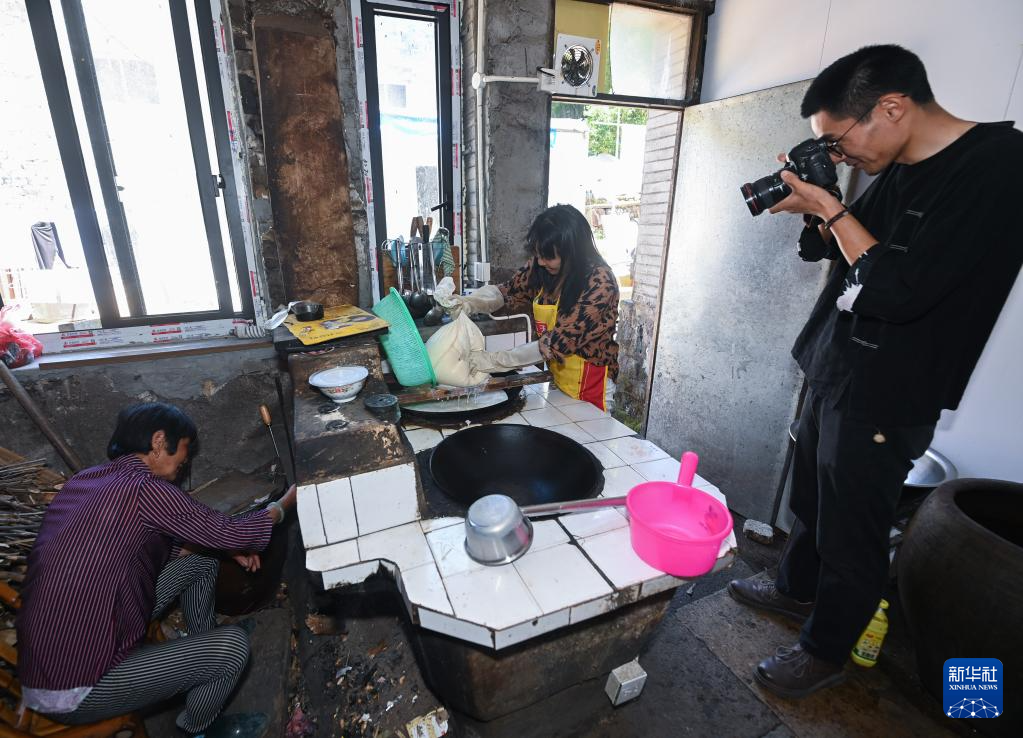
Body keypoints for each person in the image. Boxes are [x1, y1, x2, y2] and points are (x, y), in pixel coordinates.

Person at [728, 44, 1023, 698]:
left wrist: (831, 209)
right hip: (835, 366)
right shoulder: (894, 164)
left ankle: (824, 651)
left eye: (838, 140)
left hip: (890, 389)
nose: (839, 155)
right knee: (812, 501)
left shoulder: (997, 167)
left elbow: (898, 288)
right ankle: (794, 589)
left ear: (890, 107)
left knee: (853, 531)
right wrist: (818, 208)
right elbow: (839, 257)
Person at [16, 402, 297, 737]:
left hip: (55, 654)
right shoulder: (145, 490)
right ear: (160, 441)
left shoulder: (88, 479)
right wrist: (285, 504)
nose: (186, 459)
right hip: (75, 687)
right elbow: (232, 531)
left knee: (202, 559)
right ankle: (197, 728)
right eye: (185, 448)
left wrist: (224, 547)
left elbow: (141, 546)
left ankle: (202, 645)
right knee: (234, 647)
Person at [446, 204, 620, 410]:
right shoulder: (542, 266)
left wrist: (491, 361)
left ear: (572, 252)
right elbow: (509, 291)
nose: (540, 261)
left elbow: (556, 344)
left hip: (592, 387)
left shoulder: (600, 283)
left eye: (548, 257)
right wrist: (469, 303)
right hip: (558, 379)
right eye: (538, 254)